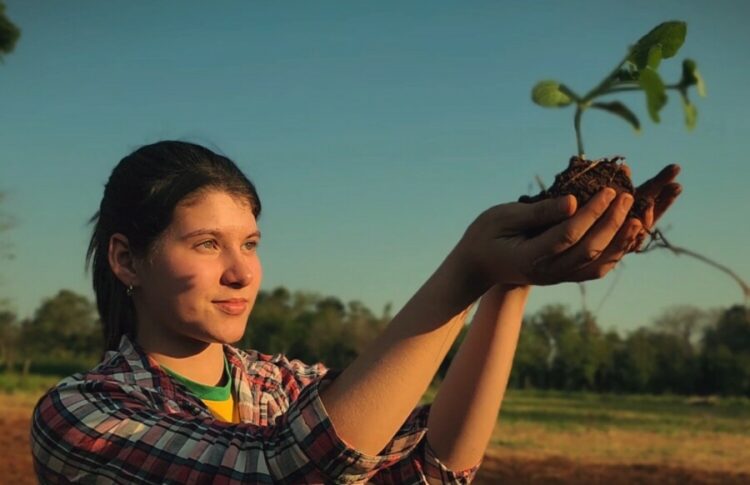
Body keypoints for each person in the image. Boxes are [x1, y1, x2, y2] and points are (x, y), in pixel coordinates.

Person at [30, 141, 681, 484]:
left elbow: (430, 471)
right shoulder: (82, 415)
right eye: (206, 243)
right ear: (126, 259)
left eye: (250, 243)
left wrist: (511, 282)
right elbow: (278, 469)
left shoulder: (283, 384)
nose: (241, 271)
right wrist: (465, 270)